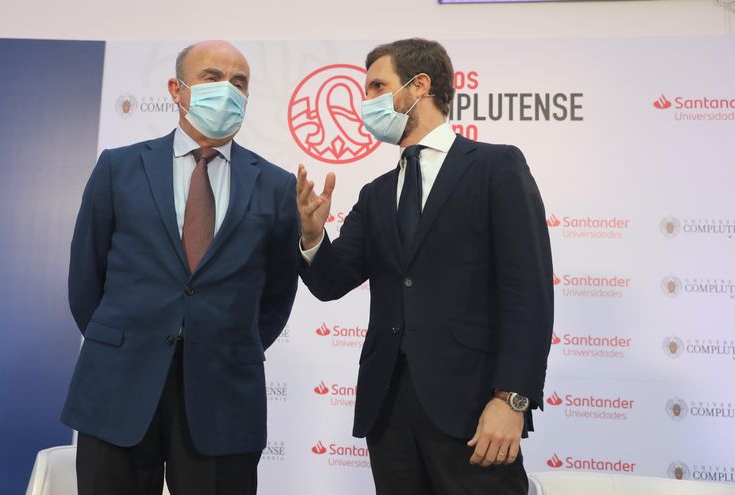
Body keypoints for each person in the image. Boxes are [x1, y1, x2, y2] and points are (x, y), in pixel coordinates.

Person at [296, 38, 554, 495]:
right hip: (388, 410)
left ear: (419, 86)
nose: (366, 101)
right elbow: (331, 282)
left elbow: (527, 292)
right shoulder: (375, 193)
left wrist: (512, 399)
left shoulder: (496, 166)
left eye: (378, 85)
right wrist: (313, 236)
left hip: (474, 409)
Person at [62, 40, 300, 495]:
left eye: (239, 82)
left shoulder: (275, 185)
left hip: (223, 394)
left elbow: (275, 298)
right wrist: (125, 341)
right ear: (177, 88)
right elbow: (85, 280)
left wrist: (223, 342)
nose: (227, 90)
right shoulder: (118, 167)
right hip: (118, 386)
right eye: (213, 77)